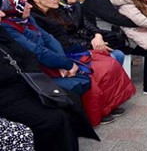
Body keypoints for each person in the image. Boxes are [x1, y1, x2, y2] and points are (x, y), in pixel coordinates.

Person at [0, 20, 99, 150]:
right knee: (54, 119)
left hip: (25, 82)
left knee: (69, 100)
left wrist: (30, 73)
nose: (2, 14)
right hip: (6, 94)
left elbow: (28, 54)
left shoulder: (2, 30)